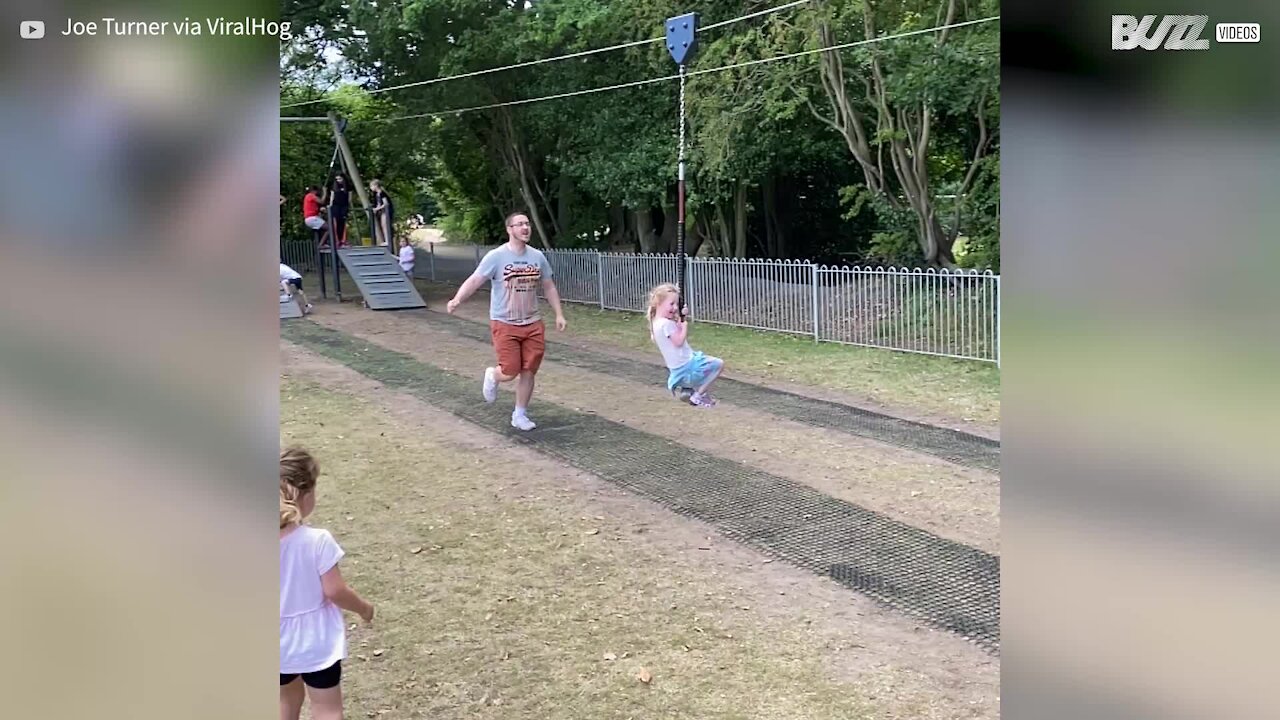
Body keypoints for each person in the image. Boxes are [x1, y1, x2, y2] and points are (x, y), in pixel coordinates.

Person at [446, 210, 566, 431]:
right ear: (509, 229)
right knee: (510, 371)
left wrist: (559, 313)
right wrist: (457, 299)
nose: (525, 228)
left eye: (527, 224)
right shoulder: (496, 256)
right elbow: (475, 280)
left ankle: (520, 415)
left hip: (532, 323)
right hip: (505, 323)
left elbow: (548, 285)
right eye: (520, 224)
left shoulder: (537, 257)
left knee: (529, 370)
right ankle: (493, 375)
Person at [280, 447, 375, 720]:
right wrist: (364, 608)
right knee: (326, 708)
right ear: (305, 495)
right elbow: (334, 591)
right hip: (315, 642)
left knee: (286, 700)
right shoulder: (317, 541)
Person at [646, 283, 724, 407]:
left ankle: (688, 390)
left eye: (676, 304)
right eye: (671, 304)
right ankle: (699, 395)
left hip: (677, 370)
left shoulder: (656, 324)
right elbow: (679, 341)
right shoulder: (666, 324)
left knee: (702, 364)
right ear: (658, 303)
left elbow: (674, 330)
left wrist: (682, 316)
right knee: (718, 364)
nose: (675, 307)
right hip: (687, 366)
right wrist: (685, 327)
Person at [370, 179, 394, 247]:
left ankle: (388, 241)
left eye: (371, 186)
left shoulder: (382, 193)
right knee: (383, 225)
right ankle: (386, 240)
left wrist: (377, 209)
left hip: (387, 211)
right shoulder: (377, 194)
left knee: (385, 225)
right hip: (382, 211)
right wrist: (376, 209)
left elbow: (385, 203)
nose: (371, 188)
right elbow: (379, 203)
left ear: (376, 185)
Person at [328, 175, 350, 249]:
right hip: (335, 206)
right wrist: (330, 206)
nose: (338, 180)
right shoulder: (334, 187)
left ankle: (343, 240)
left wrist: (348, 206)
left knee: (343, 223)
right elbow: (332, 197)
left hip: (344, 206)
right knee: (336, 223)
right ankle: (337, 241)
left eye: (340, 179)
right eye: (337, 179)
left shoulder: (348, 186)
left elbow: (349, 198)